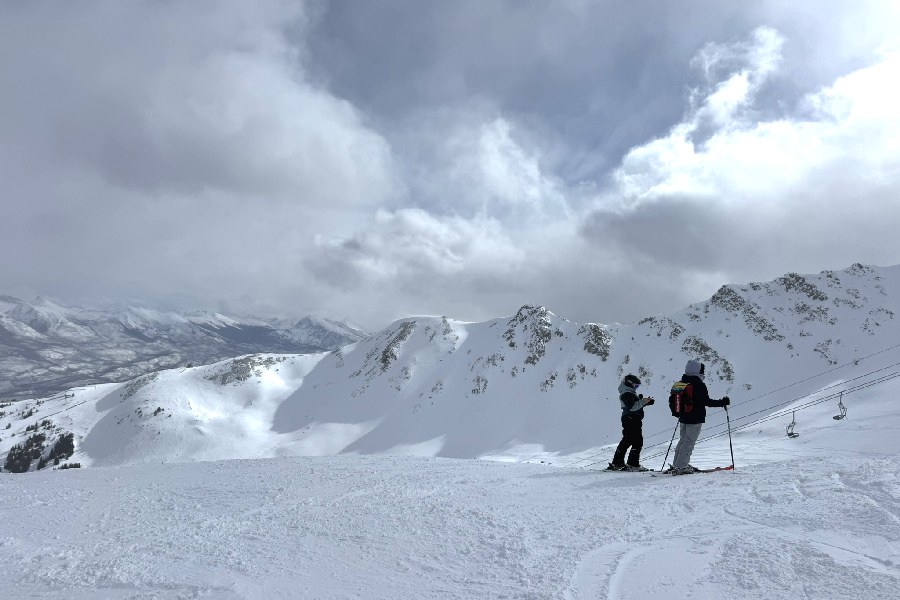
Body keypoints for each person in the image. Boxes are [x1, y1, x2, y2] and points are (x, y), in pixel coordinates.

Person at [669, 359, 730, 474]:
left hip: (683, 417)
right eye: (702, 370)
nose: (703, 373)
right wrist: (722, 402)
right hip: (695, 418)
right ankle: (682, 467)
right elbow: (706, 401)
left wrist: (679, 413)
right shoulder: (698, 384)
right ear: (696, 371)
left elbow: (671, 400)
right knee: (689, 442)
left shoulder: (680, 383)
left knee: (682, 440)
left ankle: (677, 464)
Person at [607, 374, 655, 471]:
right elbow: (632, 407)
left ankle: (617, 463)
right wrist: (643, 401)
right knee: (637, 441)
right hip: (632, 418)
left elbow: (633, 405)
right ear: (630, 384)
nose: (636, 388)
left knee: (627, 440)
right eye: (636, 386)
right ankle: (633, 464)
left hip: (628, 418)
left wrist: (643, 401)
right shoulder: (627, 393)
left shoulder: (628, 392)